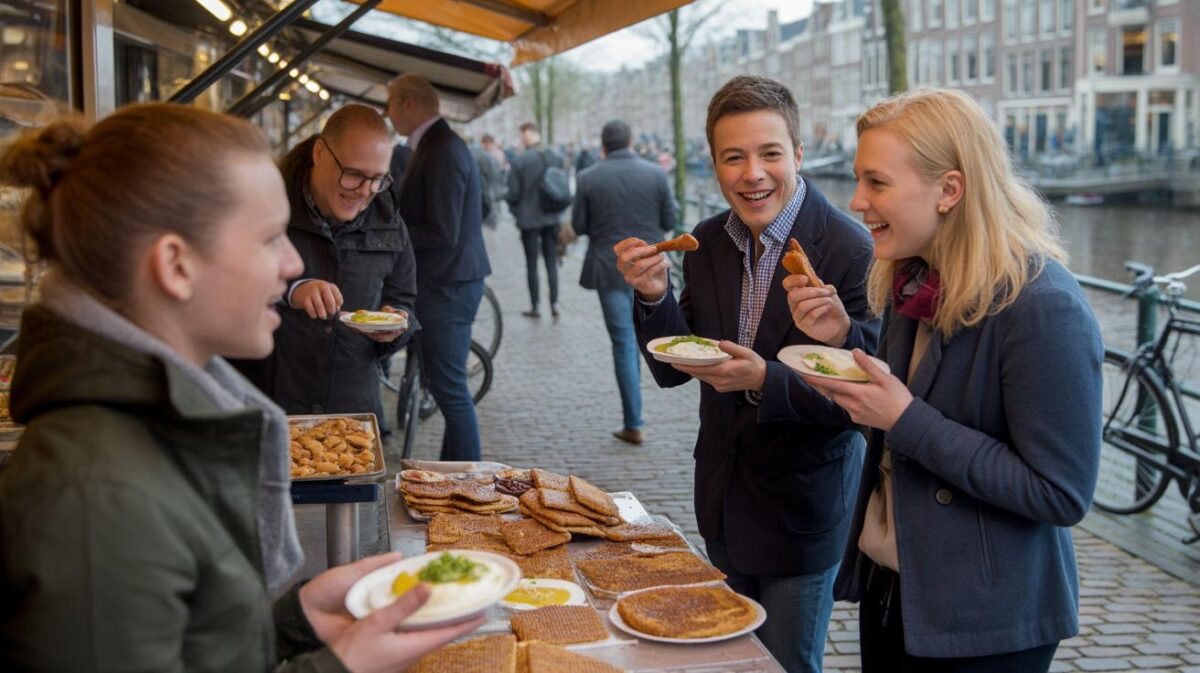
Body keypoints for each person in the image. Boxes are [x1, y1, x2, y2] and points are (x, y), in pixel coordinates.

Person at [0, 104, 483, 671]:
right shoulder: (92, 493)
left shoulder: (163, 423)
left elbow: (184, 641)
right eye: (268, 239)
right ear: (176, 265)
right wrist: (339, 664)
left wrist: (286, 625)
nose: (290, 264)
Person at [793, 89, 1103, 672]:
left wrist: (904, 420)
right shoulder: (913, 281)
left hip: (985, 624)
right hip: (898, 589)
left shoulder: (1043, 307)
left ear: (950, 190)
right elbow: (907, 401)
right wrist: (843, 344)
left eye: (876, 182)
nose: (857, 201)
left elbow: (1060, 492)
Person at [613, 75, 879, 673]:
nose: (753, 173)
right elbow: (675, 371)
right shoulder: (706, 242)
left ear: (798, 154)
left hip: (801, 510)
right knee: (727, 659)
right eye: (734, 157)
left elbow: (869, 396)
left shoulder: (852, 249)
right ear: (714, 164)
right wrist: (656, 296)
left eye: (769, 154)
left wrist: (766, 380)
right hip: (722, 502)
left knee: (786, 665)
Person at [234, 104, 415, 430]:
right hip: (270, 408)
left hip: (352, 414)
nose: (364, 191)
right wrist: (291, 290)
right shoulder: (269, 204)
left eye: (377, 179)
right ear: (320, 152)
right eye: (355, 174)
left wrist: (395, 324)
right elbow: (225, 289)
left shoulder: (391, 222)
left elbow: (404, 297)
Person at [388, 74, 491, 461]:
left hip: (448, 285)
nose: (388, 112)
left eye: (391, 103)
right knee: (447, 387)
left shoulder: (443, 150)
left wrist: (392, 239)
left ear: (409, 103)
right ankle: (456, 480)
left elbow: (443, 230)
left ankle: (471, 482)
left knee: (450, 390)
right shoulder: (438, 146)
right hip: (449, 280)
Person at [572, 119, 675, 445]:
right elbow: (669, 221)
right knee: (655, 339)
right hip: (652, 269)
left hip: (610, 268)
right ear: (631, 142)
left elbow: (579, 225)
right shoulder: (657, 174)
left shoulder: (588, 177)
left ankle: (634, 422)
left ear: (604, 146)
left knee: (624, 343)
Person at [507, 121, 565, 319]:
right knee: (551, 261)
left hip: (529, 219)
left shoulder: (520, 160)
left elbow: (513, 194)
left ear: (527, 134)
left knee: (531, 264)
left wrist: (516, 211)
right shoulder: (555, 156)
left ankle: (535, 306)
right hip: (552, 217)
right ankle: (555, 303)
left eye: (522, 135)